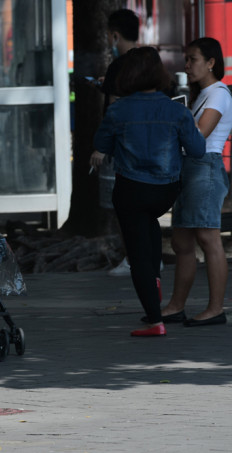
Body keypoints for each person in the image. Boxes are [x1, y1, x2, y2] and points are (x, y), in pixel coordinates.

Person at [91, 47, 206, 337]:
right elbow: (197, 149)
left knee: (138, 255)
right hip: (166, 190)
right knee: (151, 228)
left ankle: (155, 320)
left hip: (131, 188)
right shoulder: (176, 110)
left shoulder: (118, 110)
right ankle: (154, 282)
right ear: (159, 73)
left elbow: (102, 142)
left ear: (129, 75)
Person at [160, 37, 232, 327]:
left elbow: (199, 134)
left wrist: (175, 119)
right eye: (186, 59)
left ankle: (215, 309)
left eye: (192, 59)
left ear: (211, 63)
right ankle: (177, 305)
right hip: (190, 169)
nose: (186, 66)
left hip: (206, 168)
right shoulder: (203, 93)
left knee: (207, 238)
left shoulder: (218, 94)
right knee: (182, 241)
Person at [101, 9, 140, 277]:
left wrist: (103, 144)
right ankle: (148, 257)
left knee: (125, 205)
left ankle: (133, 258)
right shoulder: (148, 62)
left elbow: (114, 108)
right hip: (147, 145)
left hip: (124, 147)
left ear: (115, 35)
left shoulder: (118, 66)